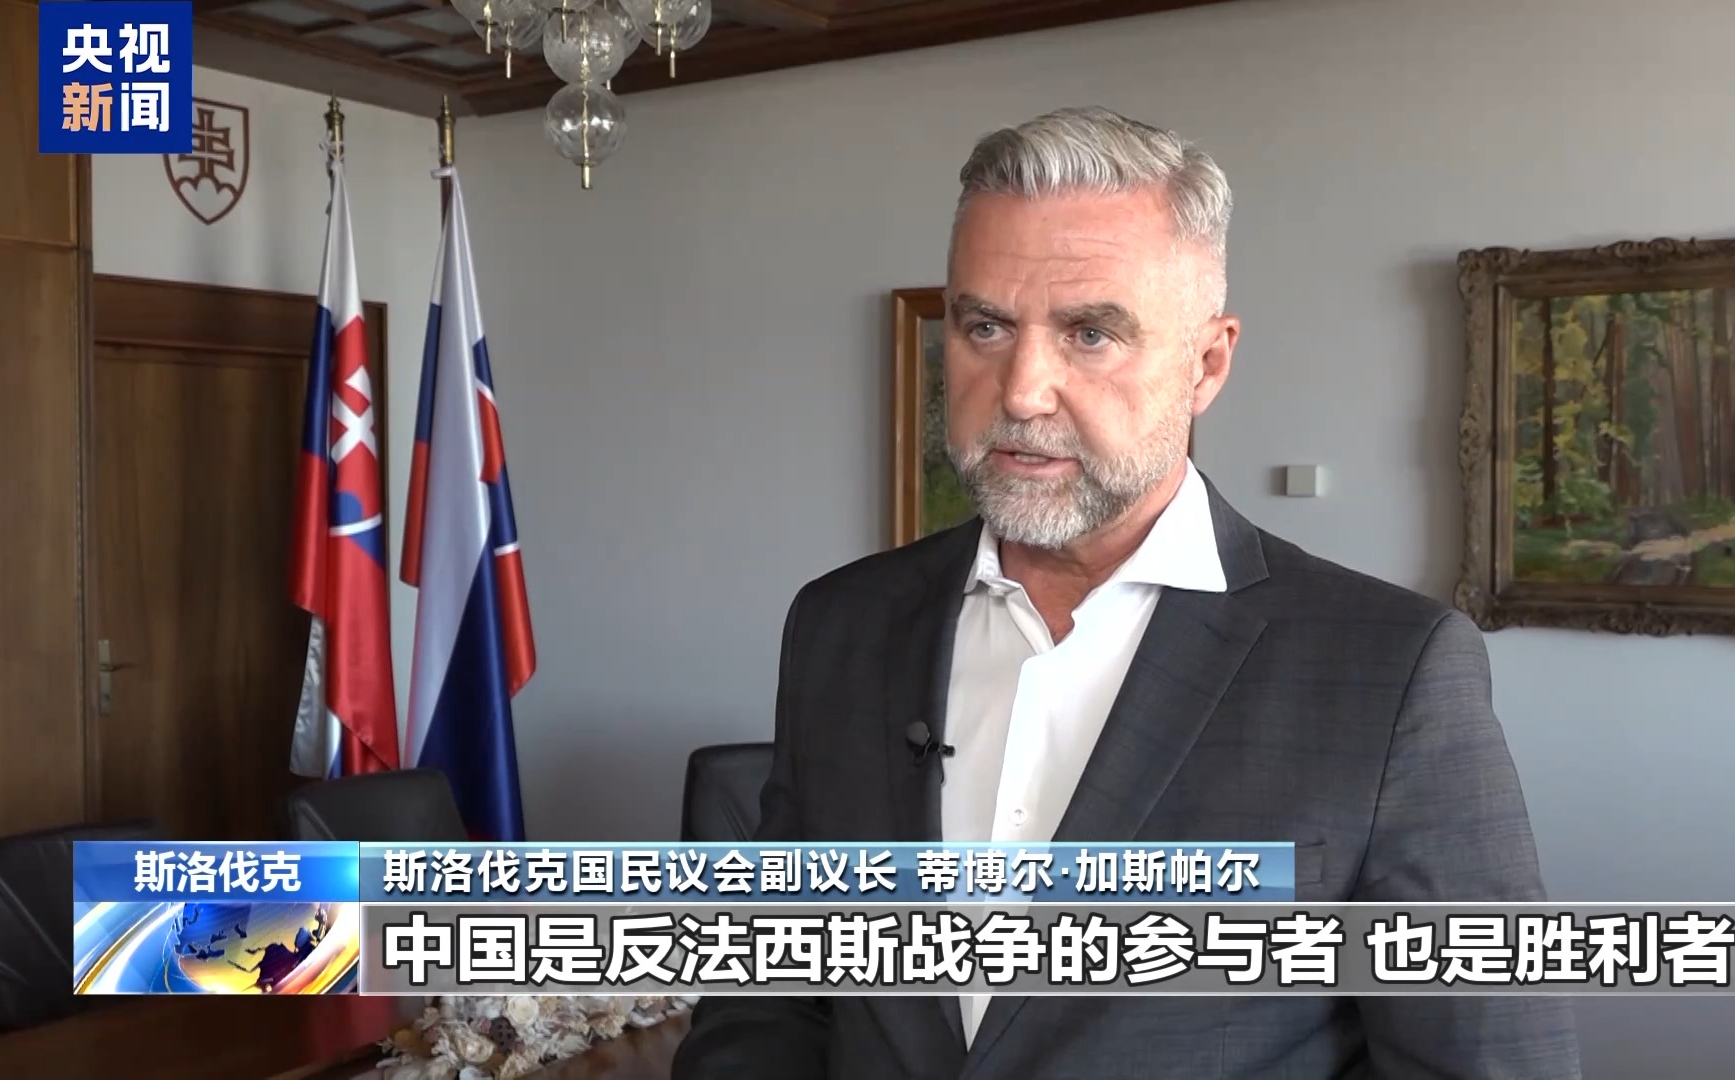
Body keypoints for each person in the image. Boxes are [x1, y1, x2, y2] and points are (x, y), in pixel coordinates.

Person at [671, 106, 1581, 1080]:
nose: (1022, 390)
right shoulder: (841, 625)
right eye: (985, 326)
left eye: (1091, 333)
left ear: (1207, 362)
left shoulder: (1390, 674)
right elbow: (767, 1002)